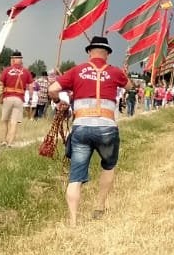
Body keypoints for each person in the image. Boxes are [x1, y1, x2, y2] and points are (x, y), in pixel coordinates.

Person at [49, 35, 129, 227]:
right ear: (107, 54)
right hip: (107, 128)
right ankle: (100, 206)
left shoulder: (78, 70)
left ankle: (73, 221)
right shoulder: (114, 72)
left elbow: (52, 88)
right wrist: (122, 75)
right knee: (108, 166)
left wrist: (58, 101)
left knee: (75, 177)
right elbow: (129, 86)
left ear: (89, 53)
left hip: (82, 127)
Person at [0, 50, 32, 146]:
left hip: (7, 98)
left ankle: (4, 140)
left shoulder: (6, 70)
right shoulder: (26, 71)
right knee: (14, 122)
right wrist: (30, 98)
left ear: (12, 59)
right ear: (21, 60)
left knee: (5, 121)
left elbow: (0, 83)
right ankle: (10, 143)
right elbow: (31, 86)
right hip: (19, 99)